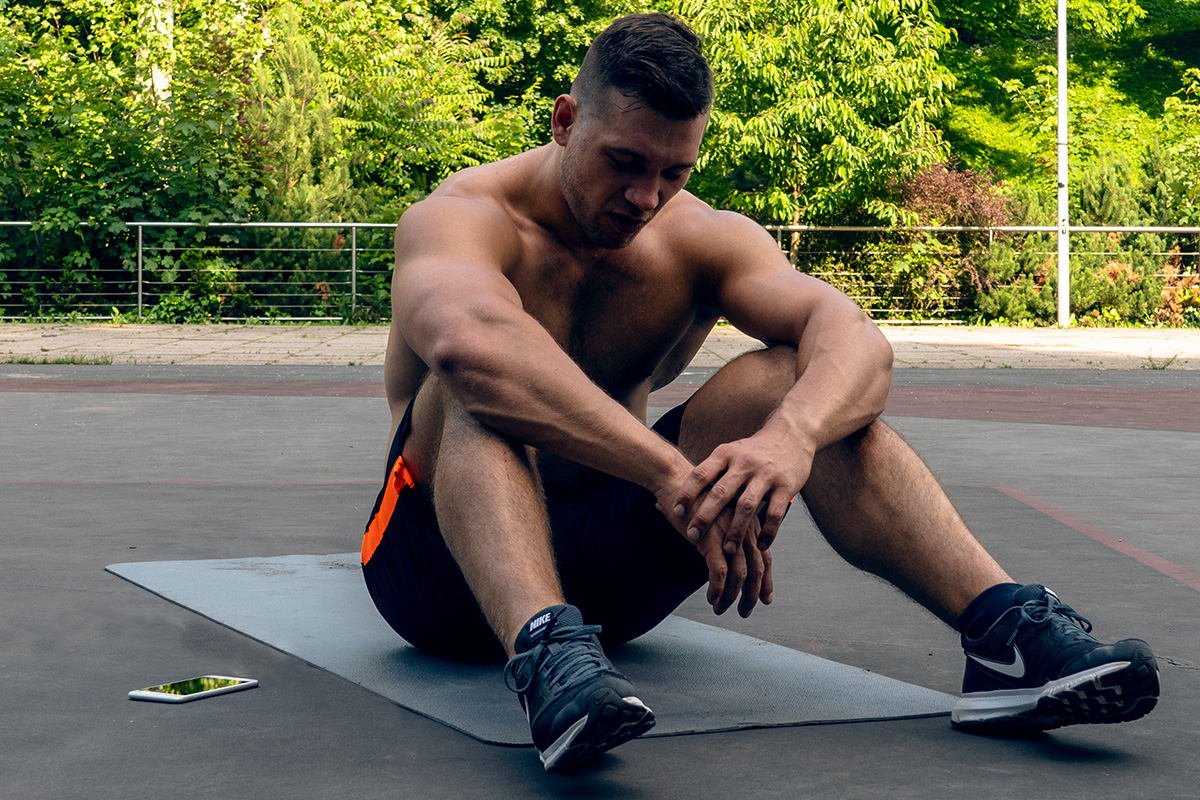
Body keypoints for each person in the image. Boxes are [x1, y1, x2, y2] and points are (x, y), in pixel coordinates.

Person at [360, 12, 1159, 772]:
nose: (646, 197)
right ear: (566, 121)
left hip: (610, 583)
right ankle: (543, 650)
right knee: (473, 387)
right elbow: (473, 349)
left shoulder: (701, 239)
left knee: (793, 378)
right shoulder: (460, 218)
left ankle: (1003, 633)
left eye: (674, 172)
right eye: (626, 163)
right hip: (437, 577)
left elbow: (856, 341)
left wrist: (792, 437)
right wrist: (669, 473)